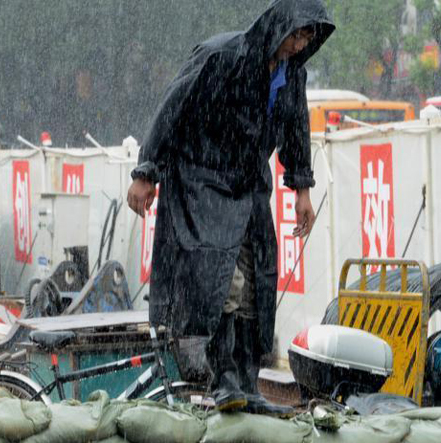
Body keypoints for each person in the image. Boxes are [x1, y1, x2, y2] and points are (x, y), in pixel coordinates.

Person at [127, 0, 334, 414]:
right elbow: (173, 106)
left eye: (308, 37)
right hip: (202, 176)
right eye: (296, 33)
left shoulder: (291, 74)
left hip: (247, 183)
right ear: (278, 27)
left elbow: (296, 128)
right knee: (223, 282)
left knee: (257, 282)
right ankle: (221, 377)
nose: (299, 44)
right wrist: (146, 172)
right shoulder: (222, 56)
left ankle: (245, 380)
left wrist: (301, 188)